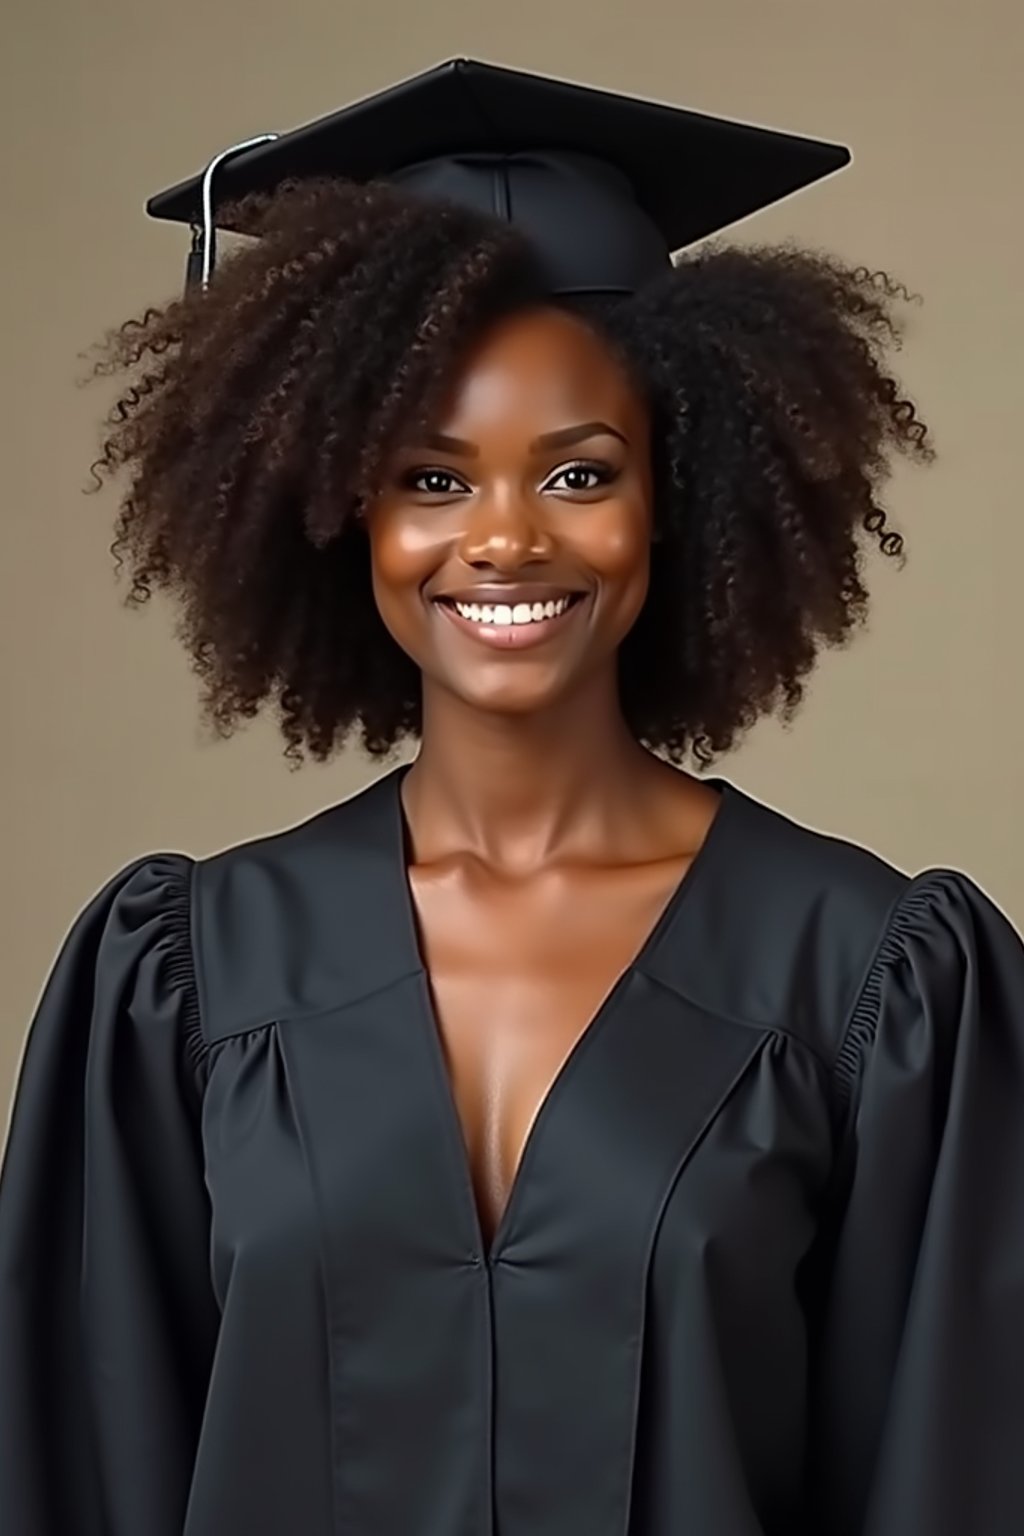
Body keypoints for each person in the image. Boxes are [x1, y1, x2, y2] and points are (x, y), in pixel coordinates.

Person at [2, 55, 1023, 1536]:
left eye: (579, 473)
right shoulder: (185, 979)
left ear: (680, 496)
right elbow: (82, 1471)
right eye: (430, 478)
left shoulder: (871, 981)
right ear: (337, 505)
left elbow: (957, 1483)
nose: (501, 540)